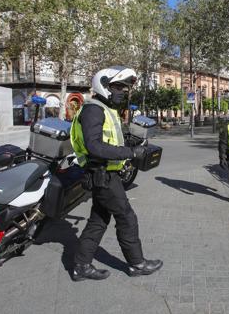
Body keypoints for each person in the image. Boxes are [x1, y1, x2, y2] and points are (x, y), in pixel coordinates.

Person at [69, 66, 162, 281]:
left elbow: (110, 141)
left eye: (124, 88)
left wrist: (131, 142)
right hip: (103, 175)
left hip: (105, 174)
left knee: (98, 221)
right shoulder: (94, 110)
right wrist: (130, 152)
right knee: (127, 218)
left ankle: (80, 267)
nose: (122, 91)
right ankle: (137, 264)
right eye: (117, 86)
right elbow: (94, 146)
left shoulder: (104, 109)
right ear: (102, 85)